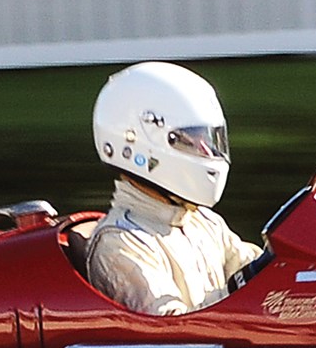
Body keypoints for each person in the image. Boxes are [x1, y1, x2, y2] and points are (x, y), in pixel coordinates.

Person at [87, 62, 263, 315]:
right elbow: (172, 329)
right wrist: (247, 280)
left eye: (208, 140)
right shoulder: (121, 242)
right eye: (191, 140)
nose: (206, 151)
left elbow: (257, 271)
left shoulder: (203, 221)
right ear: (138, 144)